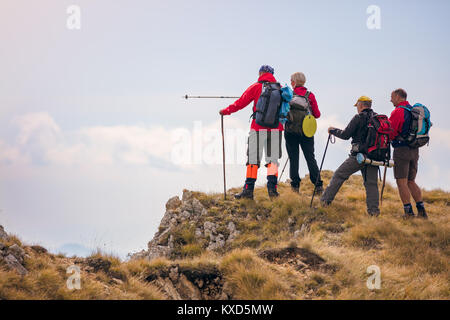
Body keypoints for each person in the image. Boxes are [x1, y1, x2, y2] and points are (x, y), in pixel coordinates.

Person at [219, 65, 283, 199]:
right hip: (276, 129)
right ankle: (272, 191)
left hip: (258, 128)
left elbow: (241, 102)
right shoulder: (280, 89)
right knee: (272, 160)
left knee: (253, 160)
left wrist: (225, 111)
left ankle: (248, 190)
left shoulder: (256, 87)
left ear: (261, 73)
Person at [320, 96, 380, 216]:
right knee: (371, 184)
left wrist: (332, 130)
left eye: (357, 106)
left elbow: (346, 135)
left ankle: (324, 202)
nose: (357, 108)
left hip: (358, 156)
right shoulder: (378, 119)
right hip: (374, 156)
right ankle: (374, 213)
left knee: (339, 174)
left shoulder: (359, 117)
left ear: (361, 105)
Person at [389, 88, 428, 219]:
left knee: (402, 182)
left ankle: (408, 213)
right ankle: (422, 211)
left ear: (399, 97)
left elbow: (391, 132)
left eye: (392, 97)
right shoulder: (413, 110)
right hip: (414, 150)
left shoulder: (398, 111)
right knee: (411, 181)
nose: (390, 100)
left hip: (401, 151)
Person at [284, 72, 323, 193]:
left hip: (290, 131)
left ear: (294, 82)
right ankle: (318, 185)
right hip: (307, 132)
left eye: (291, 80)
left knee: (293, 158)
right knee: (310, 157)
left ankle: (295, 186)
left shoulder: (288, 95)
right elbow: (317, 114)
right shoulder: (310, 95)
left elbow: (283, 112)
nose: (290, 82)